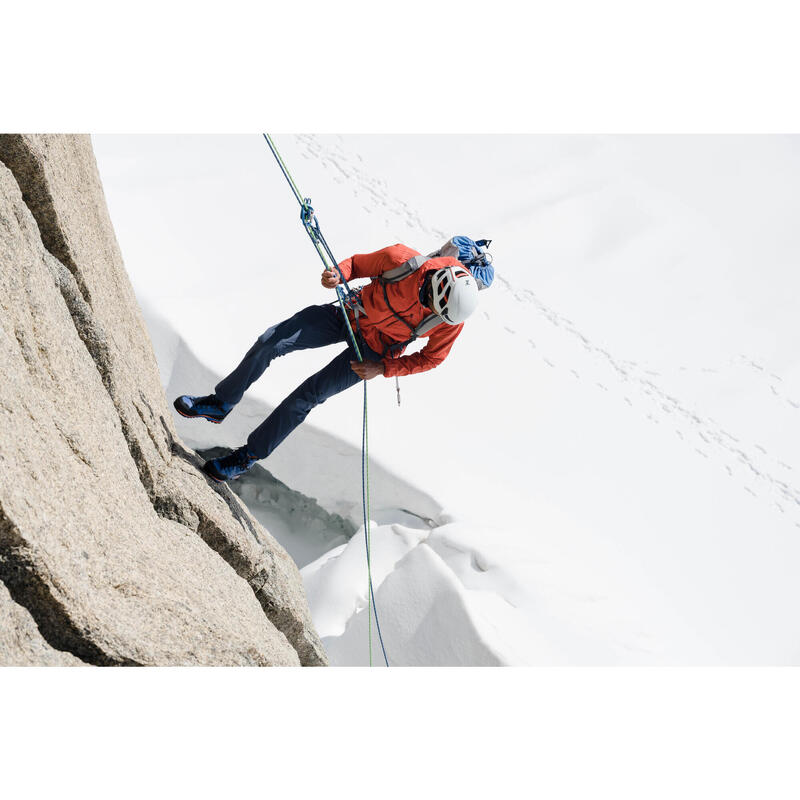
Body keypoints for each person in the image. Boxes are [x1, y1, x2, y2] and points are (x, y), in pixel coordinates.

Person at [174, 242, 482, 482]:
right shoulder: (401, 260)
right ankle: (221, 403)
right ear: (434, 283)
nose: (430, 311)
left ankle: (244, 458)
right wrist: (339, 274)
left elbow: (432, 358)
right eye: (430, 303)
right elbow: (358, 264)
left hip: (373, 352)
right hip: (348, 314)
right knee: (272, 341)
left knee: (307, 396)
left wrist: (383, 369)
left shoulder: (449, 319)